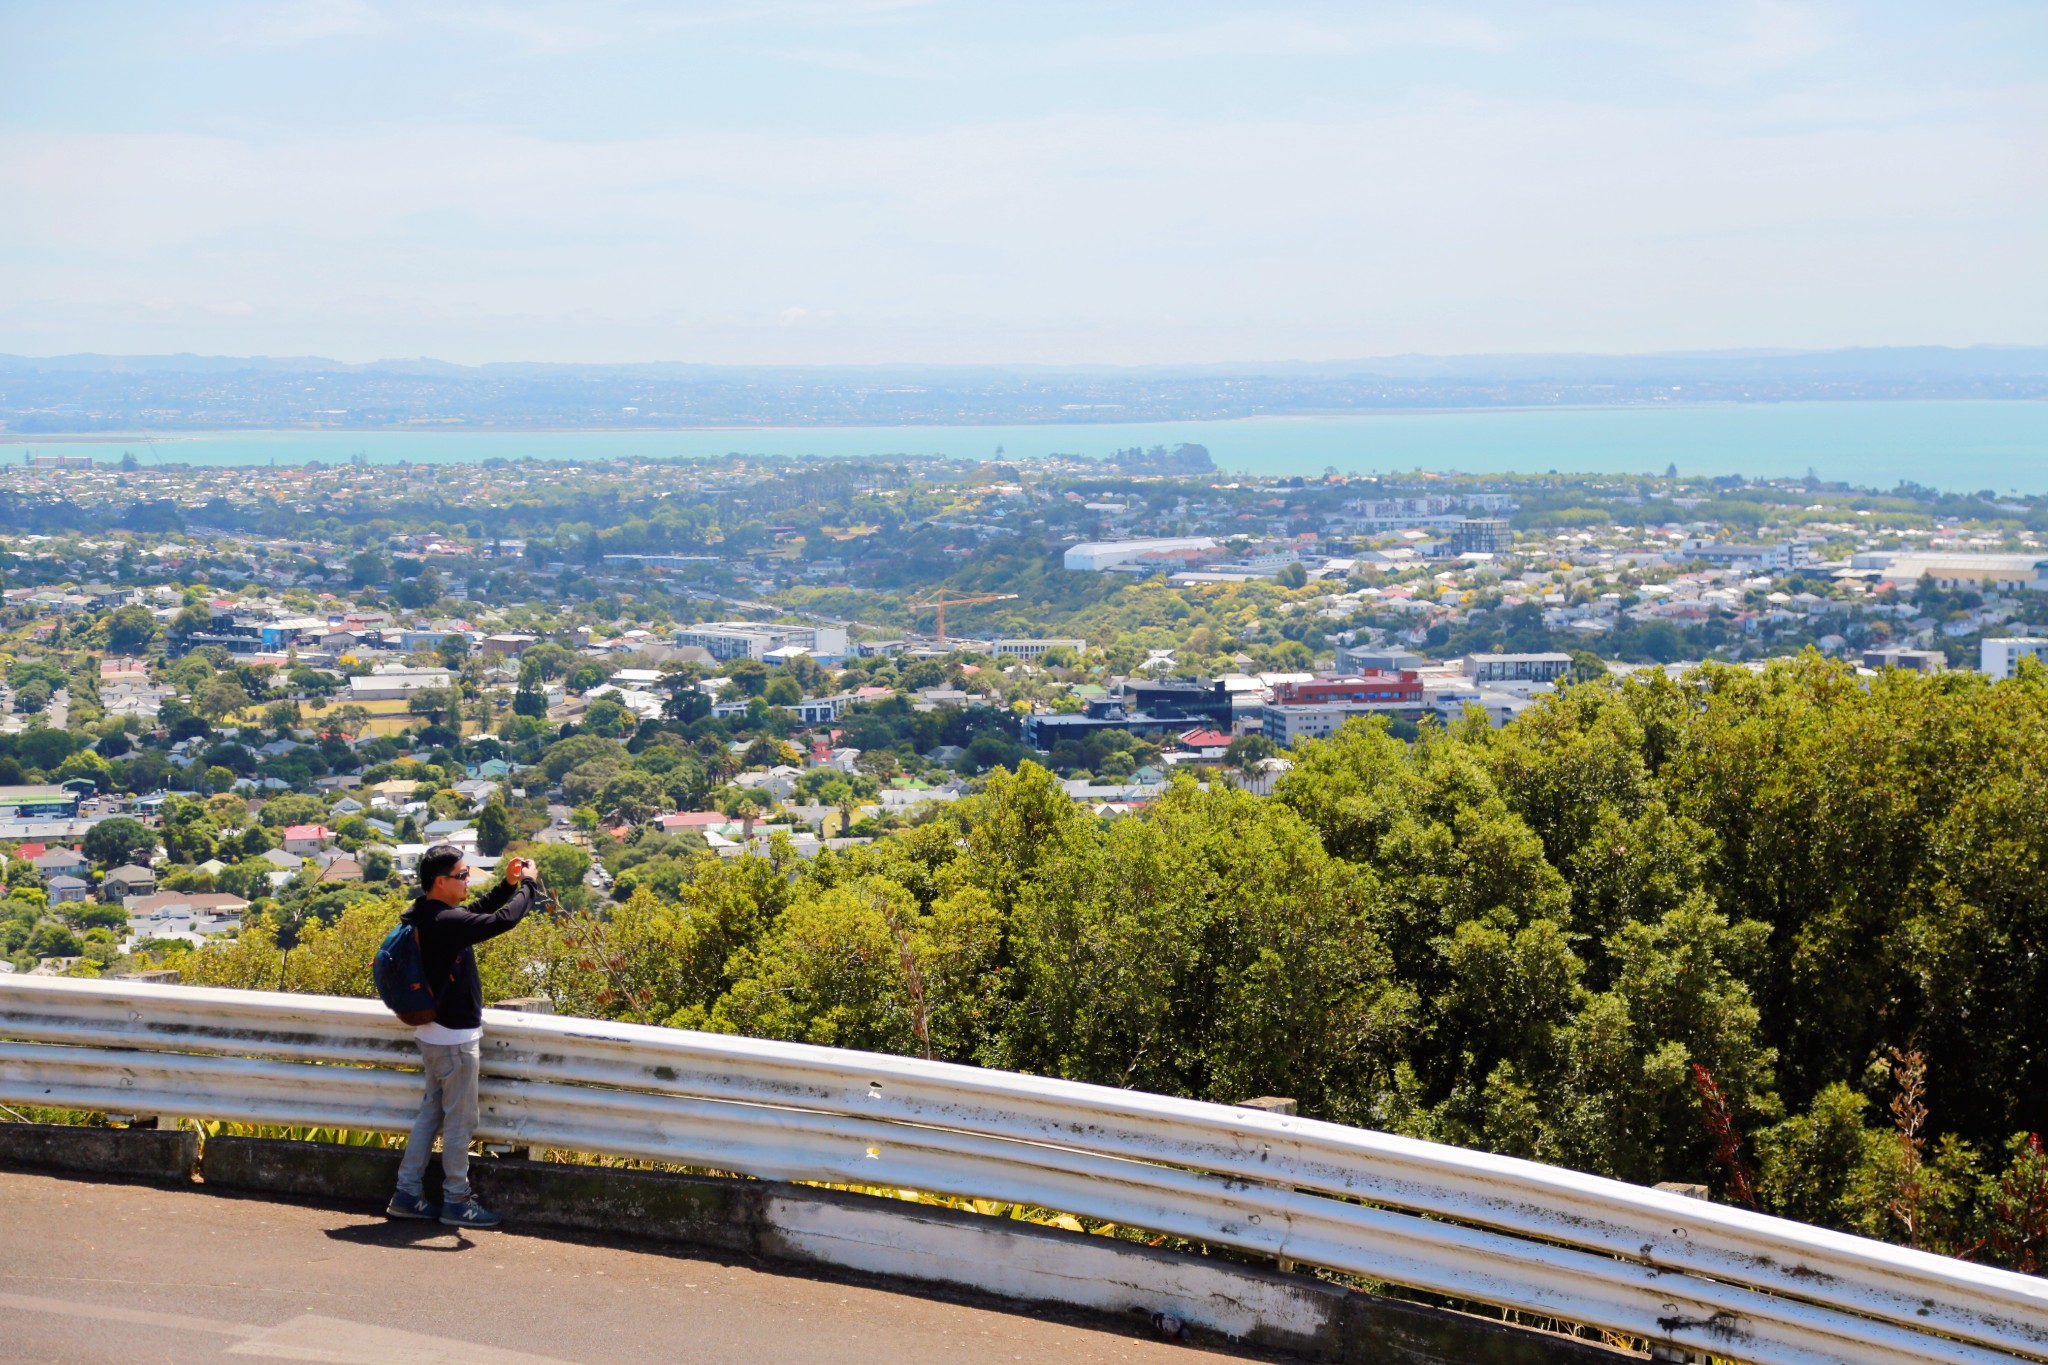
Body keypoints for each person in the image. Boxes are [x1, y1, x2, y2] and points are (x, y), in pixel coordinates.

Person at [386, 843, 539, 1230]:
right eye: (462, 875)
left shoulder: (426, 914)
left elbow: (478, 911)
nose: (468, 880)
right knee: (460, 1122)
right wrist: (530, 888)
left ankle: (406, 1194)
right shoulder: (444, 924)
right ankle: (456, 1200)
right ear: (441, 882)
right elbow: (503, 921)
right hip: (455, 1041)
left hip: (432, 1035)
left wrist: (508, 884)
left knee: (430, 1115)